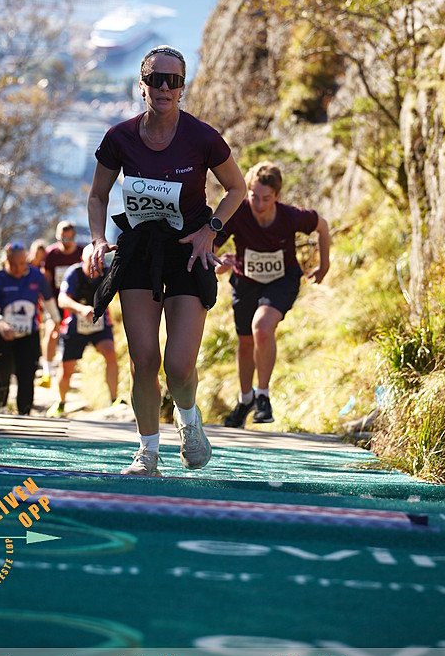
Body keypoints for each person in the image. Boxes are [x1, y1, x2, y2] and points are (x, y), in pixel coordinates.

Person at [88, 45, 246, 476]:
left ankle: (189, 421)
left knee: (178, 365)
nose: (163, 88)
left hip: (188, 250)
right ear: (142, 86)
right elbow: (98, 195)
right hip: (139, 249)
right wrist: (98, 239)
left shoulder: (202, 137)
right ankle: (147, 454)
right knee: (143, 360)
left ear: (182, 88)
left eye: (172, 81)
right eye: (155, 80)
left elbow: (237, 188)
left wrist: (211, 230)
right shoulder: (119, 137)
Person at [216, 161, 330, 428]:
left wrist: (324, 264)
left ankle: (263, 396)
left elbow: (322, 226)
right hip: (246, 282)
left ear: (277, 196)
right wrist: (219, 265)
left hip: (281, 281)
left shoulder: (290, 216)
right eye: (253, 196)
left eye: (266, 198)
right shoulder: (238, 213)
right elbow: (211, 248)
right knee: (245, 342)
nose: (259, 203)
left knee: (262, 327)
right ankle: (245, 400)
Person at [0, 242, 61, 415]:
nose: (18, 269)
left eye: (22, 263)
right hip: (1, 334)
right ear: (6, 262)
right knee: (2, 371)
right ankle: (0, 408)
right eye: (13, 264)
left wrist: (56, 320)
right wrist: (1, 324)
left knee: (27, 373)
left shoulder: (36, 276)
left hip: (28, 334)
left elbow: (48, 300)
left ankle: (24, 412)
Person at [46, 244, 118, 417]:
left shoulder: (108, 272)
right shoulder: (73, 273)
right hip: (74, 326)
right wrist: (81, 309)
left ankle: (114, 399)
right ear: (82, 260)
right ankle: (61, 402)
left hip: (100, 325)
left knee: (110, 353)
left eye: (98, 262)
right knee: (67, 368)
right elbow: (62, 300)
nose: (95, 267)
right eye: (91, 262)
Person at [38, 221, 84, 387]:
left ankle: (71, 371)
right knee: (51, 331)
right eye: (62, 239)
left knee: (76, 334)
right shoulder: (51, 254)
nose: (65, 242)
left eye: (69, 239)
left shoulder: (81, 252)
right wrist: (47, 303)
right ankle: (47, 372)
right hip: (55, 300)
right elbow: (45, 279)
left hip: (76, 301)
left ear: (74, 237)